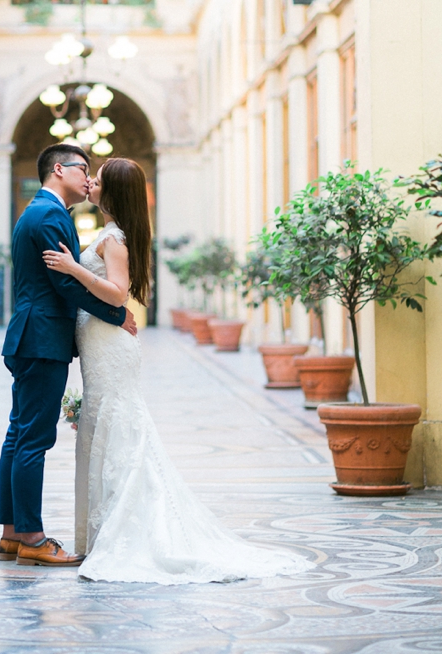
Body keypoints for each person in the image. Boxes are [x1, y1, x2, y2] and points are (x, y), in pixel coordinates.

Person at [43, 156, 311, 584]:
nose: (91, 182)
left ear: (112, 192)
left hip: (109, 345)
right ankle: (106, 530)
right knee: (107, 426)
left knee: (119, 428)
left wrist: (74, 268)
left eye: (99, 179)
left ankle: (127, 533)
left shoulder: (113, 238)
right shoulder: (112, 233)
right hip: (101, 346)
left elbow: (116, 295)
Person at [0, 142, 138, 568]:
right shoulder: (50, 213)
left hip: (32, 337)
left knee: (18, 436)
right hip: (41, 339)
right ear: (60, 169)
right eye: (83, 169)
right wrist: (116, 313)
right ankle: (33, 539)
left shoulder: (38, 211)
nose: (88, 178)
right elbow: (65, 284)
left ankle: (11, 534)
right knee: (34, 439)